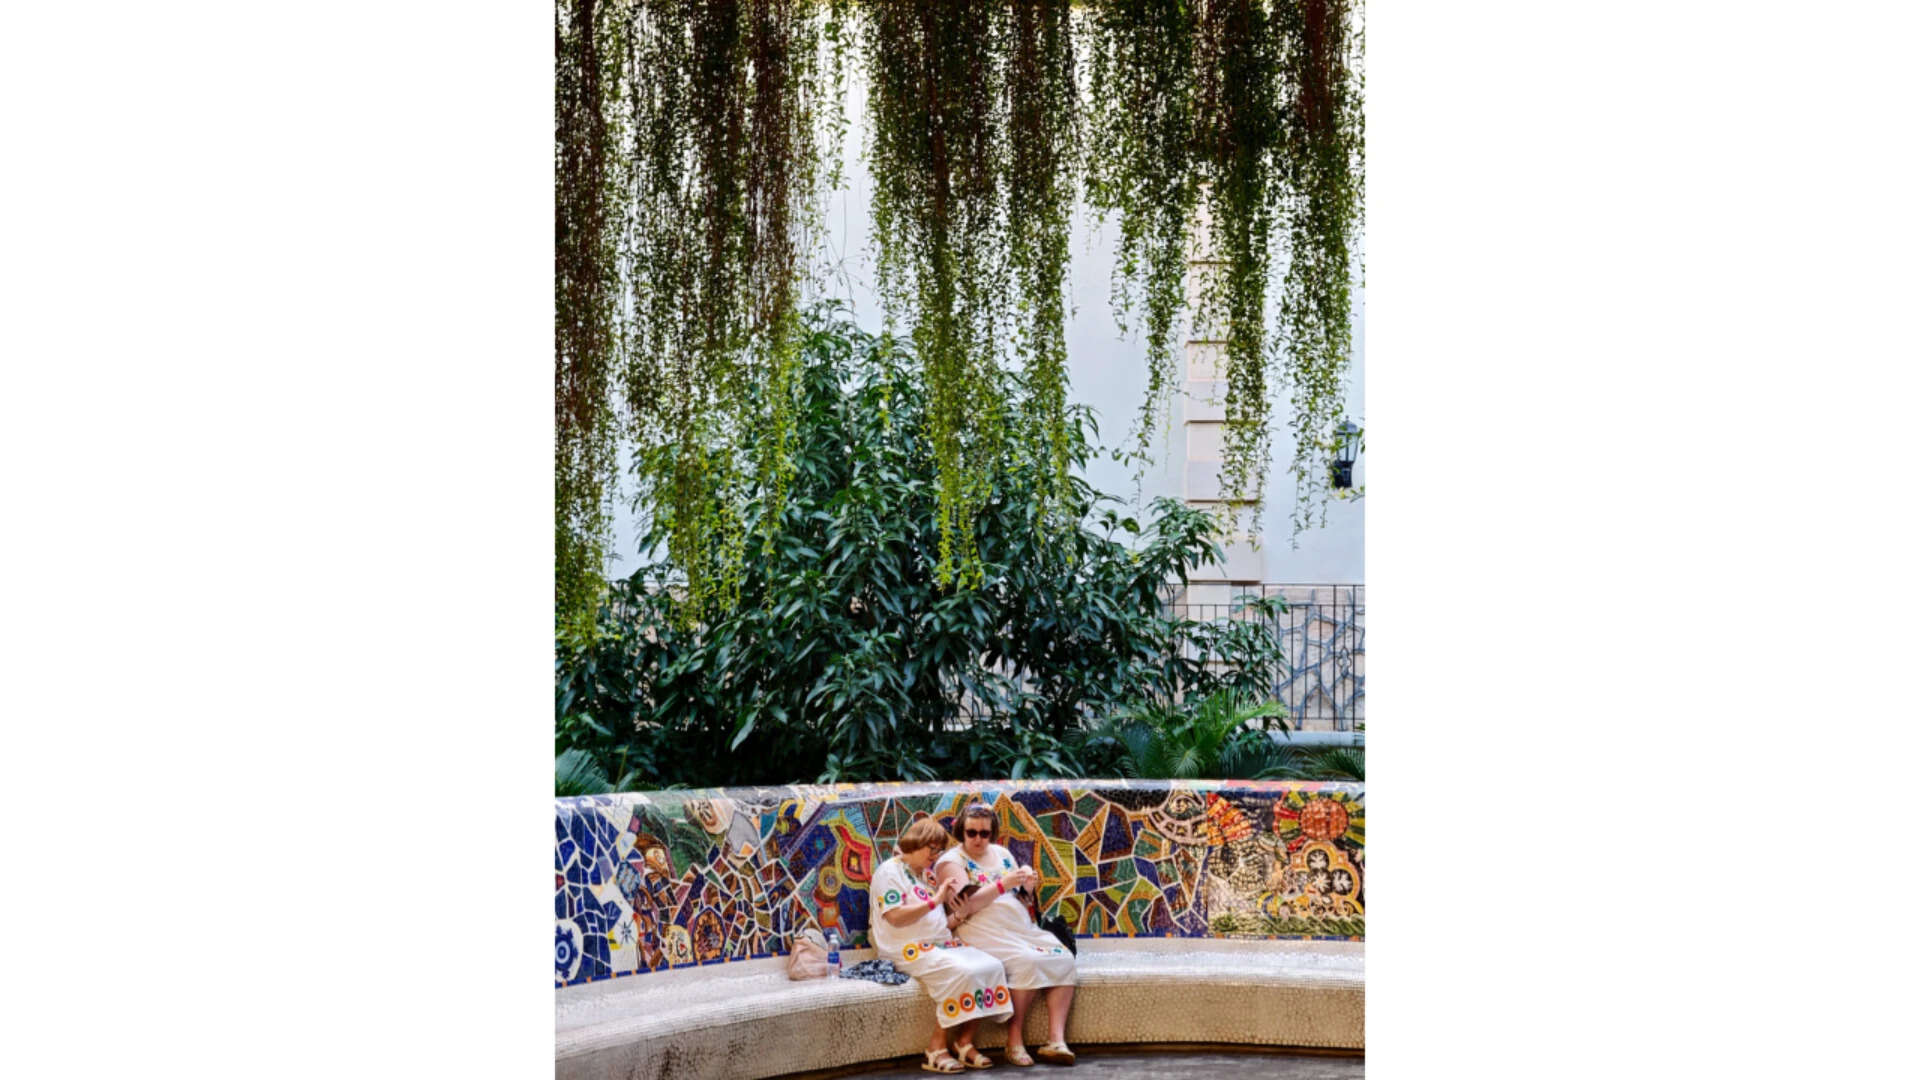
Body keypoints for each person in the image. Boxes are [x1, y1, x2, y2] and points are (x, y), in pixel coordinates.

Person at [936, 804, 1078, 1067]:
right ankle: (1014, 1041)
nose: (978, 839)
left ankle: (1056, 1040)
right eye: (971, 833)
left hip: (1019, 928)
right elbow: (965, 905)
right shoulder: (951, 862)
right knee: (1026, 962)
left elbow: (1020, 900)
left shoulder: (1001, 854)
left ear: (993, 833)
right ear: (961, 831)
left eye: (984, 833)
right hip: (980, 930)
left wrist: (1027, 888)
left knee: (1064, 958)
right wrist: (1003, 883)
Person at [871, 816, 1015, 1073]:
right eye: (932, 849)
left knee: (992, 966)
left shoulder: (926, 875)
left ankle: (964, 1042)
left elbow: (937, 926)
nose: (936, 855)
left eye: (939, 850)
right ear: (917, 843)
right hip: (906, 948)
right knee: (962, 971)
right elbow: (894, 916)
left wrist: (958, 915)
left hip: (939, 944)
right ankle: (935, 1049)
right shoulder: (889, 872)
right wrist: (935, 900)